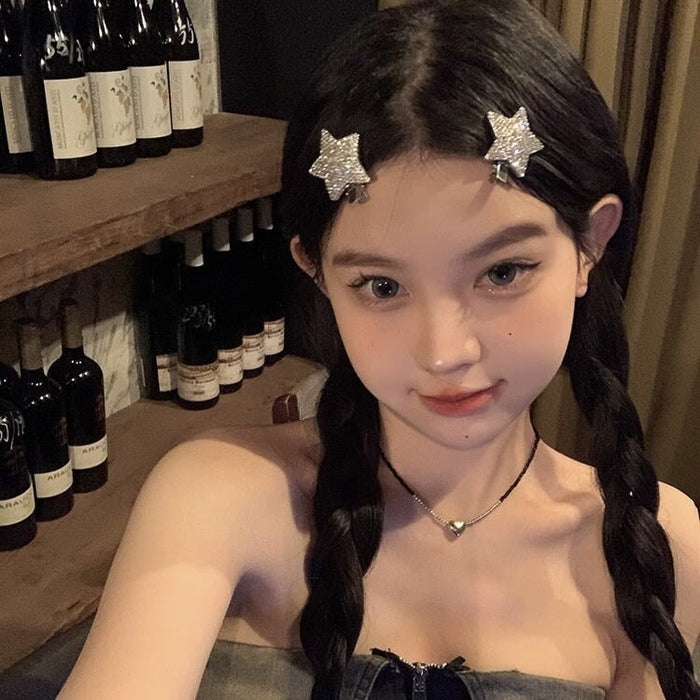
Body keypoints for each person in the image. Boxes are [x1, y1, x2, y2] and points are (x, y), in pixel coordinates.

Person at [59, 1, 699, 698]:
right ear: (317, 272)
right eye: (382, 286)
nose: (444, 353)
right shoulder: (221, 496)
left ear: (589, 247)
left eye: (502, 272)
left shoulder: (659, 544)